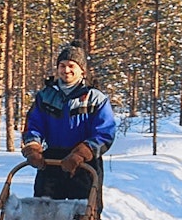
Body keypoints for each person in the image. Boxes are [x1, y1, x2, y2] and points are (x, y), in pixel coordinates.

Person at [20, 44, 117, 202]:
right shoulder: (45, 96)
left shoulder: (95, 98)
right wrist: (33, 148)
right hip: (51, 162)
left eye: (71, 66)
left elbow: (105, 134)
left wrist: (81, 153)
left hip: (85, 164)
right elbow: (33, 125)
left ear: (82, 70)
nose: (66, 70)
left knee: (84, 211)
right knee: (44, 210)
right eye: (62, 66)